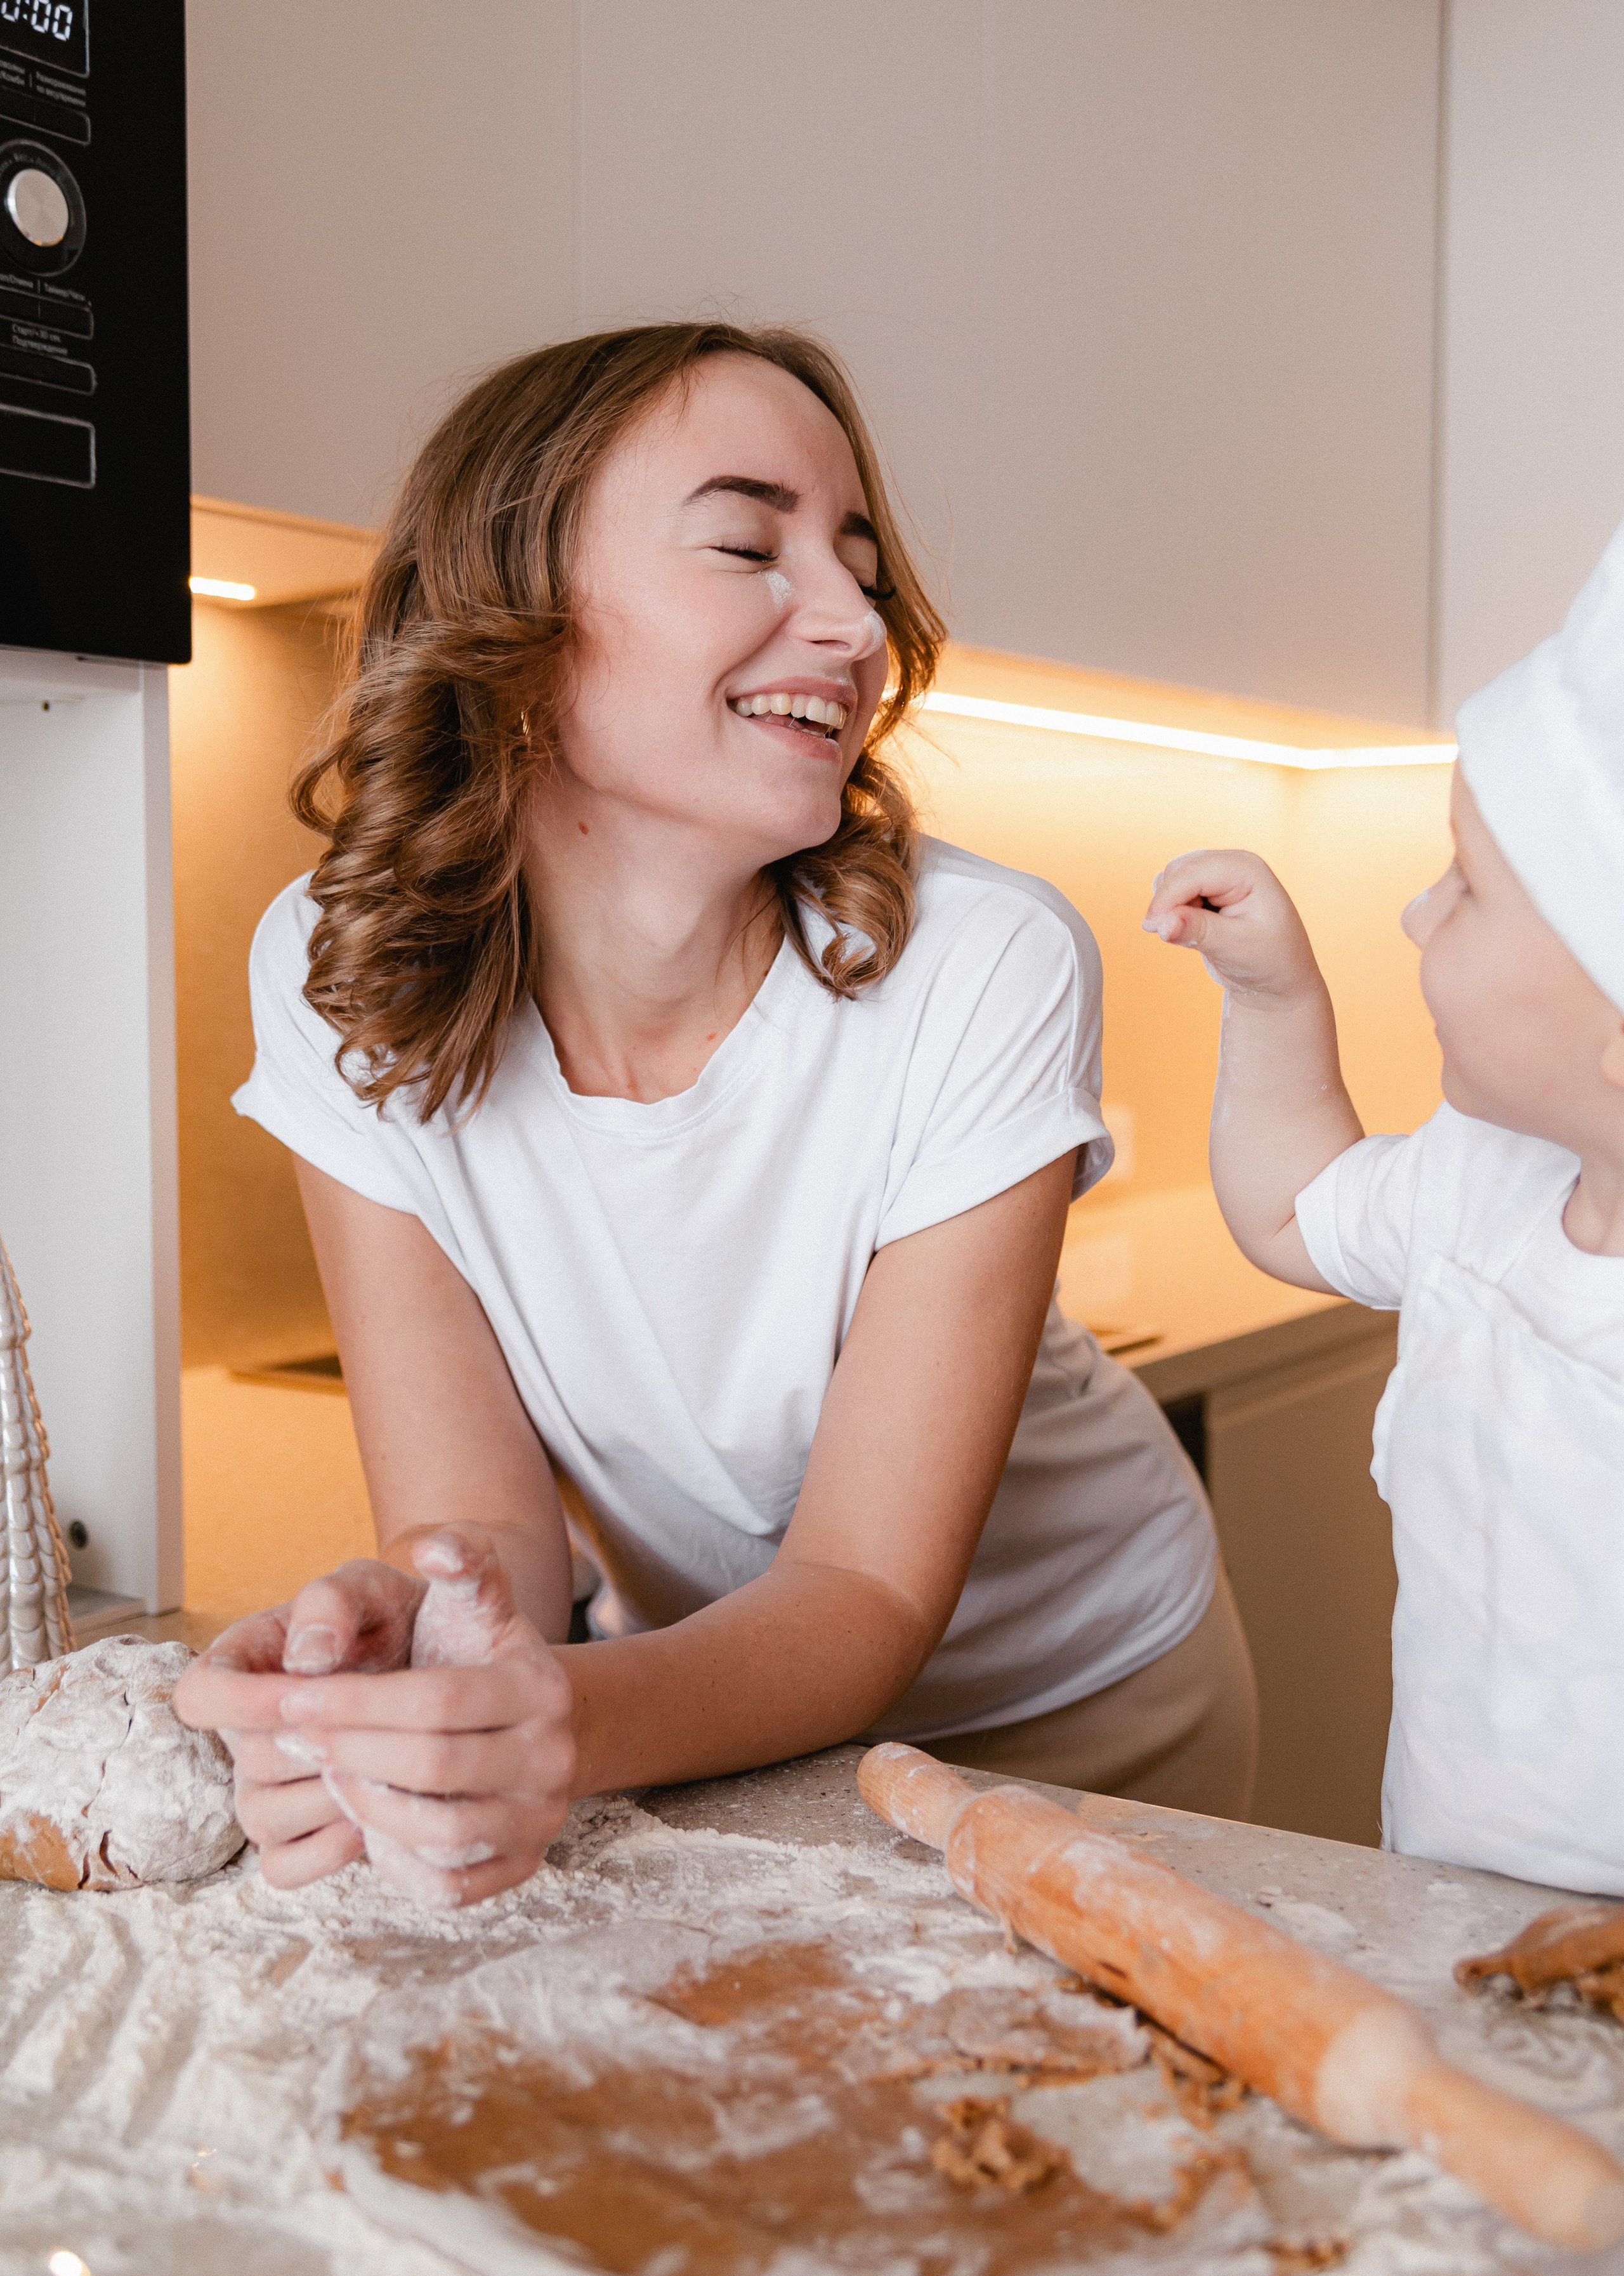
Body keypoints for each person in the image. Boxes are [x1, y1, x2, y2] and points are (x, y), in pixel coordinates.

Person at [175, 322, 1254, 1907]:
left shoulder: (980, 962)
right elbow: (482, 1525)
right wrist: (410, 1660)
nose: (851, 620)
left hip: (1072, 1718)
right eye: (748, 542)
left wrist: (554, 1717)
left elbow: (865, 1589)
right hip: (693, 1719)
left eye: (858, 562)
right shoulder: (337, 969)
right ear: (515, 614)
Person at [1142, 518, 1624, 1893]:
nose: (1416, 916)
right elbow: (1293, 1210)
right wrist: (1273, 995)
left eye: (1464, 887)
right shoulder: (1478, 1182)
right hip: (1445, 1908)